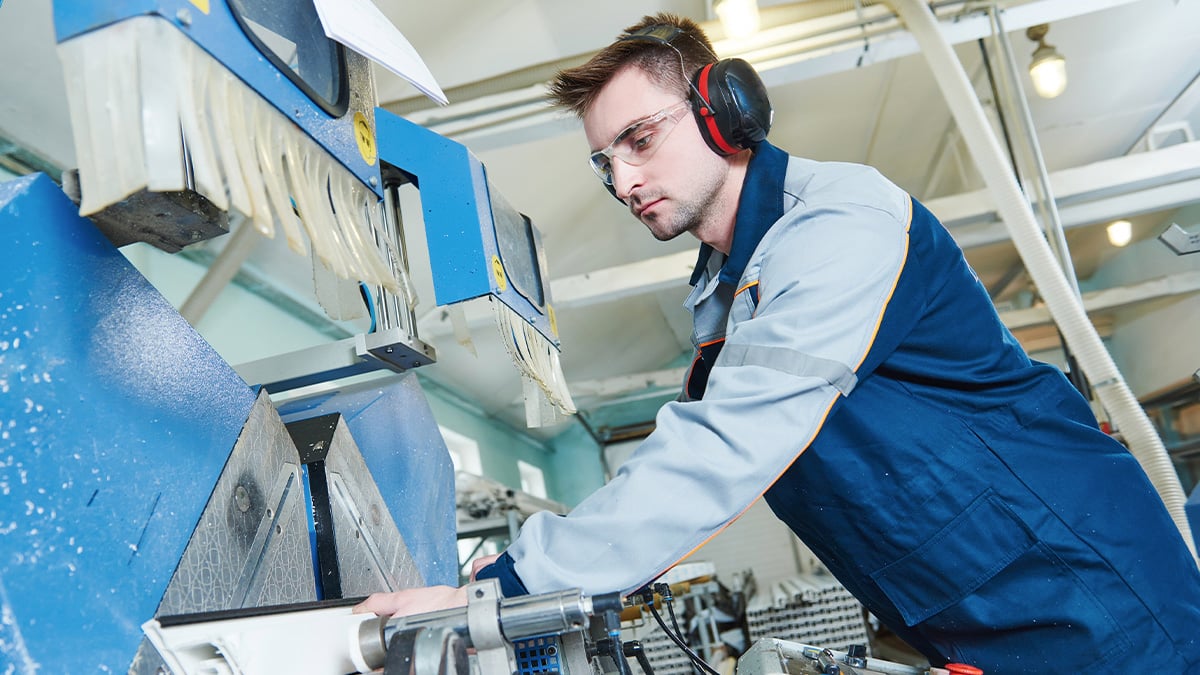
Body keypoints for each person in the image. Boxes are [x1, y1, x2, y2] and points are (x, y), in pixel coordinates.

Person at [358, 13, 1200, 672]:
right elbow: (692, 465)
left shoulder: (840, 222)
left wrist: (498, 590)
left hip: (1094, 599)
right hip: (985, 619)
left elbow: (724, 449)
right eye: (604, 163)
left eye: (641, 140)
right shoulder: (725, 295)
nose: (624, 182)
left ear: (727, 111)